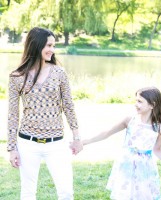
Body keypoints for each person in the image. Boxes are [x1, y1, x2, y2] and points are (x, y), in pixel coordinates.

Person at [7, 27, 83, 200]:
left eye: (53, 46)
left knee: (66, 192)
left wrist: (77, 137)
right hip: (27, 143)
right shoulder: (17, 76)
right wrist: (12, 148)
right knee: (28, 193)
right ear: (36, 45)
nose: (52, 50)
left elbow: (68, 106)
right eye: (48, 45)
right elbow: (12, 115)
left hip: (56, 143)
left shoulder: (59, 73)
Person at [75, 87, 161, 200]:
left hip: (145, 169)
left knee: (144, 195)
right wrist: (83, 142)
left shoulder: (159, 128)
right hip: (127, 165)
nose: (136, 104)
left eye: (140, 101)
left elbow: (157, 149)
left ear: (152, 105)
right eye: (136, 100)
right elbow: (107, 132)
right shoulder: (130, 120)